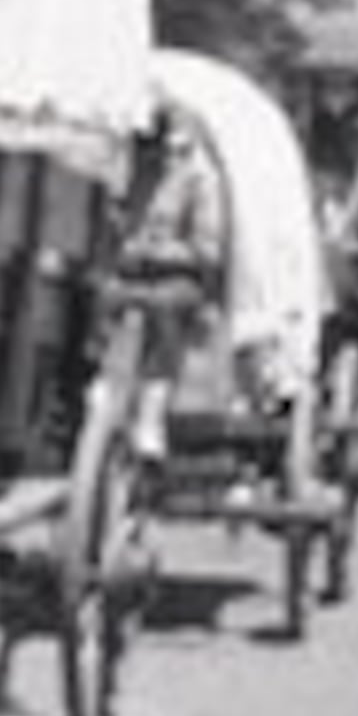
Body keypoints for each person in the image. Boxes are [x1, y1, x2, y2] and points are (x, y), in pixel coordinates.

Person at [112, 100, 233, 461]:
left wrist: (159, 251)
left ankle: (152, 411)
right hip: (127, 274)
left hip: (177, 279)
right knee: (96, 300)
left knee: (163, 309)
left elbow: (208, 249)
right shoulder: (125, 171)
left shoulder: (198, 177)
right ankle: (97, 395)